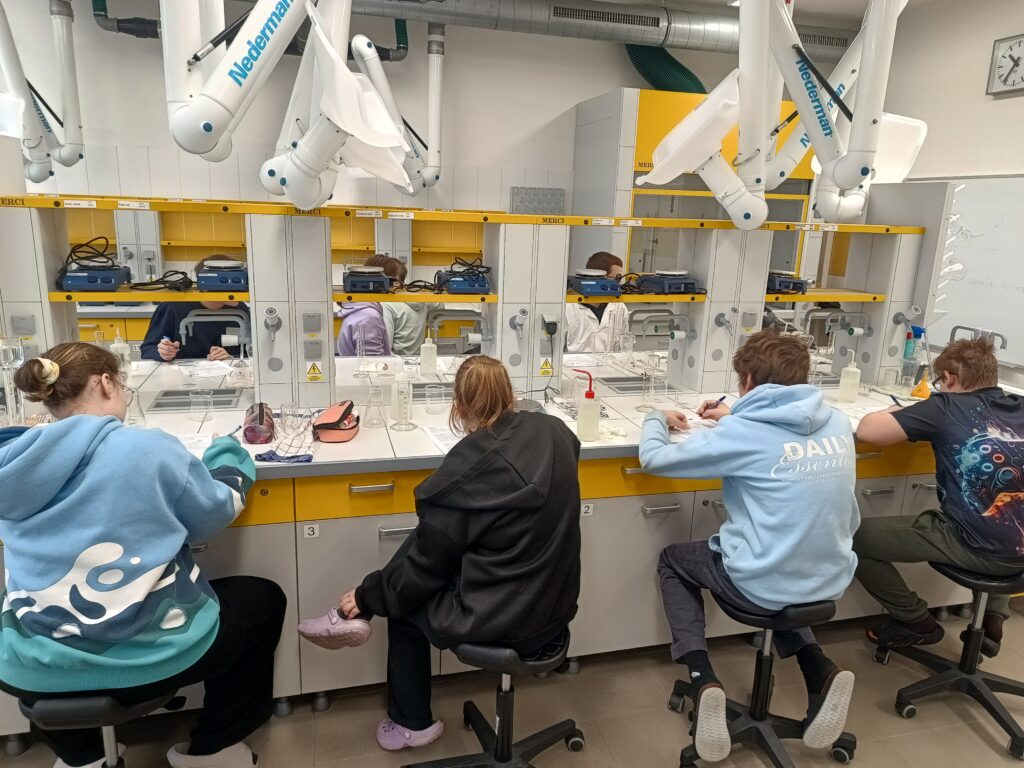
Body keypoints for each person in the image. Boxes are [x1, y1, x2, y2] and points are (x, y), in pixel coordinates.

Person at [0, 342, 285, 768]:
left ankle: (82, 757)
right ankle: (214, 749)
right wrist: (228, 454)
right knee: (261, 601)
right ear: (105, 382)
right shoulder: (146, 448)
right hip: (142, 657)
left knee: (36, 623)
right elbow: (213, 512)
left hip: (31, 665)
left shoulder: (13, 462)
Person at [297, 356, 581, 753]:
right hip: (552, 602)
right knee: (429, 538)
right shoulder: (554, 431)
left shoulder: (468, 472)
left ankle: (411, 724)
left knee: (405, 603)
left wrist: (376, 594)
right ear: (511, 394)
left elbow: (425, 572)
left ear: (458, 406)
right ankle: (361, 605)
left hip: (504, 617)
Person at [639, 330, 859, 763]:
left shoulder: (743, 432)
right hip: (829, 576)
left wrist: (655, 417)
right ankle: (819, 669)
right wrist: (734, 415)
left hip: (763, 581)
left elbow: (654, 459)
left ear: (749, 381)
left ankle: (702, 679)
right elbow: (779, 433)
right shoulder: (836, 421)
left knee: (674, 561)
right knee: (788, 565)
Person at [854, 338, 1024, 654]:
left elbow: (867, 431)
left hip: (978, 548)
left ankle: (915, 620)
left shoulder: (944, 407)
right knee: (1005, 511)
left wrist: (898, 410)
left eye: (940, 382)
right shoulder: (1019, 405)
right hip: (1019, 551)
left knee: (854, 537)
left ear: (949, 378)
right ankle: (993, 617)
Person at [336, 254, 403, 357]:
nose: (398, 287)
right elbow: (372, 363)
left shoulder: (359, 308)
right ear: (381, 282)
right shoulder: (369, 317)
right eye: (395, 282)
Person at [564, 252, 630, 354]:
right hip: (574, 363)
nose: (619, 284)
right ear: (598, 278)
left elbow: (624, 343)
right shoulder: (568, 307)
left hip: (609, 362)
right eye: (617, 279)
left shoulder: (619, 307)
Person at [140, 301, 249, 362]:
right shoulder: (173, 307)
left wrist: (230, 357)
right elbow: (147, 349)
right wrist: (162, 353)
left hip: (223, 377)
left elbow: (250, 353)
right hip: (180, 379)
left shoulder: (241, 311)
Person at [379, 258, 429, 356]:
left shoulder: (387, 305)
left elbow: (386, 348)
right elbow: (440, 304)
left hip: (396, 362)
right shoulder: (421, 300)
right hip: (416, 360)